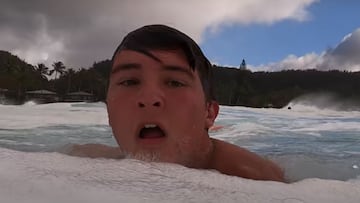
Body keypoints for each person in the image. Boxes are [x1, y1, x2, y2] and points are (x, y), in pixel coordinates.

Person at [67, 24, 284, 182]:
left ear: (209, 113)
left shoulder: (257, 180)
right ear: (109, 111)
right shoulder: (79, 160)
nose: (149, 98)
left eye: (174, 82)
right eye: (130, 81)